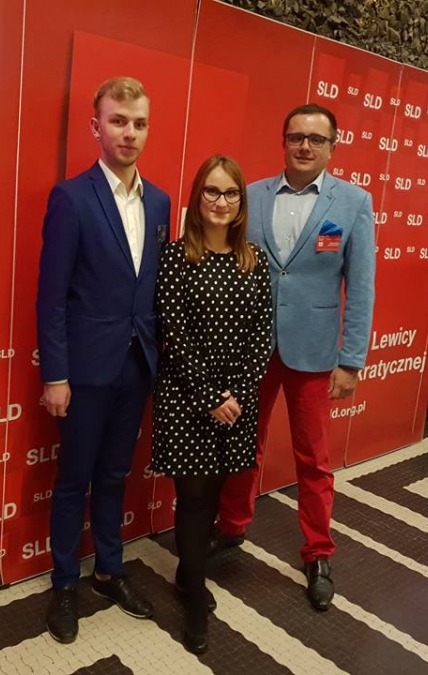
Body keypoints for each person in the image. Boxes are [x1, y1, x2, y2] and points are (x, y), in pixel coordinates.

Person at [212, 103, 376, 612]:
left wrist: (351, 360)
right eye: (296, 136)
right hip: (251, 350)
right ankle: (231, 526)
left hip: (315, 353)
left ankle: (318, 552)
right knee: (243, 444)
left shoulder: (353, 202)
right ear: (283, 141)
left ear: (332, 147)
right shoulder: (252, 195)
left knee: (314, 459)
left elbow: (361, 287)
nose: (305, 146)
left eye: (316, 139)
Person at [36, 76, 171, 644]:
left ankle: (109, 571)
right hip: (85, 370)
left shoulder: (160, 202)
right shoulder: (71, 198)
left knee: (115, 475)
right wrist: (56, 375)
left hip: (137, 366)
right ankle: (65, 583)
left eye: (139, 123)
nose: (129, 133)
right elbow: (52, 296)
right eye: (118, 121)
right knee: (74, 480)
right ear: (97, 127)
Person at [151, 154, 272, 654]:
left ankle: (189, 573)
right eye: (212, 191)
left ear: (242, 202)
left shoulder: (254, 259)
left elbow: (262, 335)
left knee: (216, 494)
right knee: (194, 500)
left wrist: (236, 395)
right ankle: (195, 597)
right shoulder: (176, 257)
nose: (221, 202)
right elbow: (173, 335)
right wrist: (209, 397)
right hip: (187, 400)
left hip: (236, 405)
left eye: (231, 193)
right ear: (197, 197)